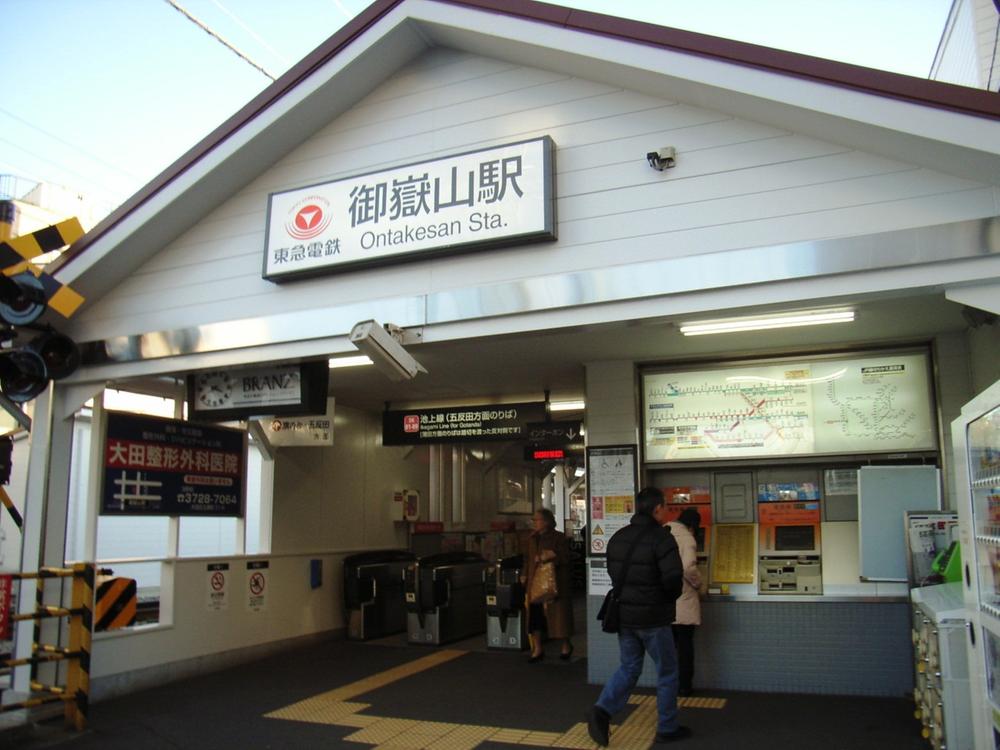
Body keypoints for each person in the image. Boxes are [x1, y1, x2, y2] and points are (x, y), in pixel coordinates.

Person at [587, 487, 690, 746]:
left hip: (626, 617)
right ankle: (667, 726)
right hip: (654, 618)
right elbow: (673, 578)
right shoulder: (662, 538)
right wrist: (668, 599)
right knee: (667, 671)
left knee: (630, 667)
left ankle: (602, 710)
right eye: (665, 507)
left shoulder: (619, 537)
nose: (667, 511)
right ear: (657, 509)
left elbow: (614, 574)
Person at [523, 507, 574, 662]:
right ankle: (538, 649)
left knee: (558, 617)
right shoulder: (532, 538)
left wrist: (550, 557)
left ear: (546, 521)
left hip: (555, 584)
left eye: (537, 519)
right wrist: (524, 574)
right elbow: (527, 559)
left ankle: (566, 644)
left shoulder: (559, 538)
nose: (535, 522)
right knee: (536, 617)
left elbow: (566, 557)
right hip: (535, 583)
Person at [666, 508, 702, 697]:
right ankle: (685, 686)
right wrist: (699, 584)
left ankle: (668, 684)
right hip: (683, 600)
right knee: (685, 646)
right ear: (692, 525)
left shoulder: (663, 531)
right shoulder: (687, 538)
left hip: (664, 602)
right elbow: (689, 568)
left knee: (668, 648)